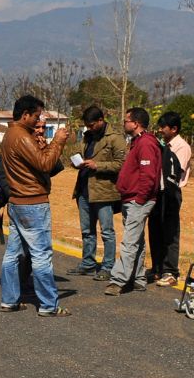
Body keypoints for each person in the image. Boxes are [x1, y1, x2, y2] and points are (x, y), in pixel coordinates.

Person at [0, 94, 71, 316]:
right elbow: (45, 164)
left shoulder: (11, 134)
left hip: (17, 201)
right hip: (33, 203)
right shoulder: (21, 136)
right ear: (25, 115)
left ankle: (9, 300)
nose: (38, 121)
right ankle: (48, 305)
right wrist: (58, 141)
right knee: (41, 255)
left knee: (13, 254)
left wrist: (45, 145)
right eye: (36, 116)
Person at [105, 107, 161, 296]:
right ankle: (138, 278)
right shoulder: (137, 141)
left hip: (139, 199)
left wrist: (140, 199)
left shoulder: (145, 143)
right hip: (132, 198)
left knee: (129, 241)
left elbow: (148, 175)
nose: (124, 123)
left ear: (136, 123)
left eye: (126, 120)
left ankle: (117, 280)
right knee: (137, 240)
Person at [68, 105, 125, 281]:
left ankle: (108, 267)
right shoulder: (87, 136)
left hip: (103, 192)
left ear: (101, 120)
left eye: (92, 125)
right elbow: (78, 153)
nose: (89, 128)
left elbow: (121, 164)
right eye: (87, 125)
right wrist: (76, 162)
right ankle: (88, 264)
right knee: (87, 231)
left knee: (107, 232)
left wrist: (97, 165)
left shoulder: (115, 138)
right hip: (83, 190)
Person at [147, 111, 190, 287]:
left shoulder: (182, 147)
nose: (160, 130)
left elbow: (174, 173)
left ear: (174, 129)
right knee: (155, 229)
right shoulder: (164, 144)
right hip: (159, 192)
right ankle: (157, 268)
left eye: (163, 127)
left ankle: (170, 271)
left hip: (171, 193)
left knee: (170, 232)